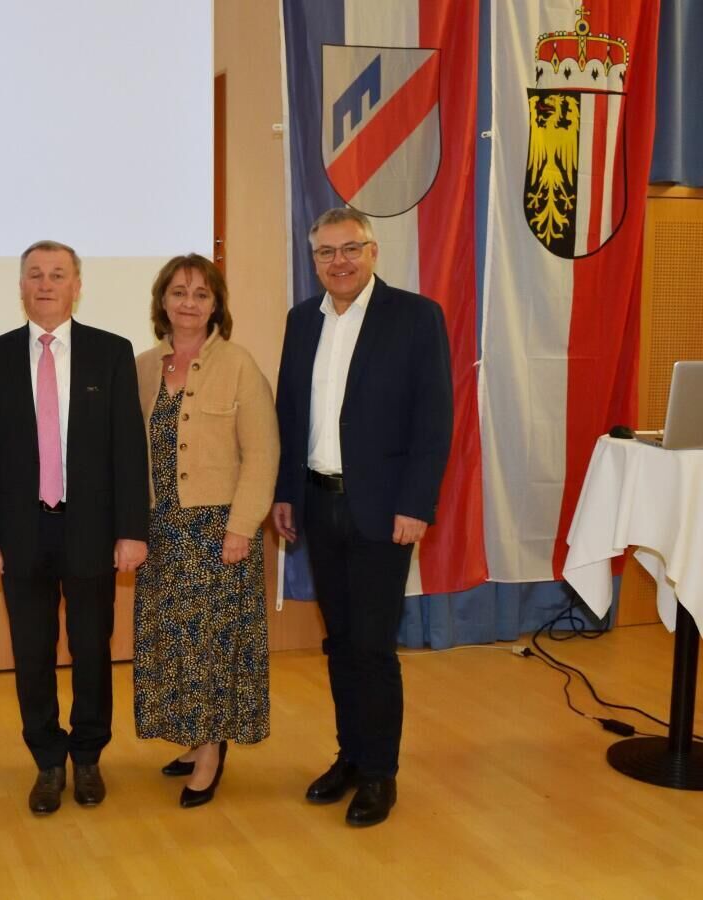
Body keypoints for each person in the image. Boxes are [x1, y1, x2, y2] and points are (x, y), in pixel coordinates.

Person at [272, 207, 452, 827]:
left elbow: (434, 419)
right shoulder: (302, 320)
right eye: (326, 252)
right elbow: (290, 412)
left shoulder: (416, 317)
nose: (339, 262)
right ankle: (350, 756)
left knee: (373, 647)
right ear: (314, 260)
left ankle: (379, 773)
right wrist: (285, 492)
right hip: (318, 503)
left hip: (383, 511)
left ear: (373, 252)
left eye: (350, 249)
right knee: (340, 642)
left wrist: (416, 504)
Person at [0, 240, 148, 815]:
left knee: (92, 649)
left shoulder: (110, 353)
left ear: (77, 286)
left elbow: (128, 449)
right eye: (35, 275)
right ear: (21, 287)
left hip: (91, 531)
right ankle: (47, 761)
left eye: (58, 274)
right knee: (32, 653)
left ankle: (88, 756)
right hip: (20, 535)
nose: (46, 284)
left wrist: (132, 529)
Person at [133, 254, 279, 808]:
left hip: (218, 533)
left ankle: (213, 751)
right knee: (174, 644)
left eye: (201, 294)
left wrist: (242, 528)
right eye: (178, 292)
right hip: (162, 529)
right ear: (162, 302)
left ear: (216, 304)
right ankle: (195, 739)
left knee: (214, 647)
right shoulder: (144, 366)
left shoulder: (239, 364)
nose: (189, 303)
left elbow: (262, 453)